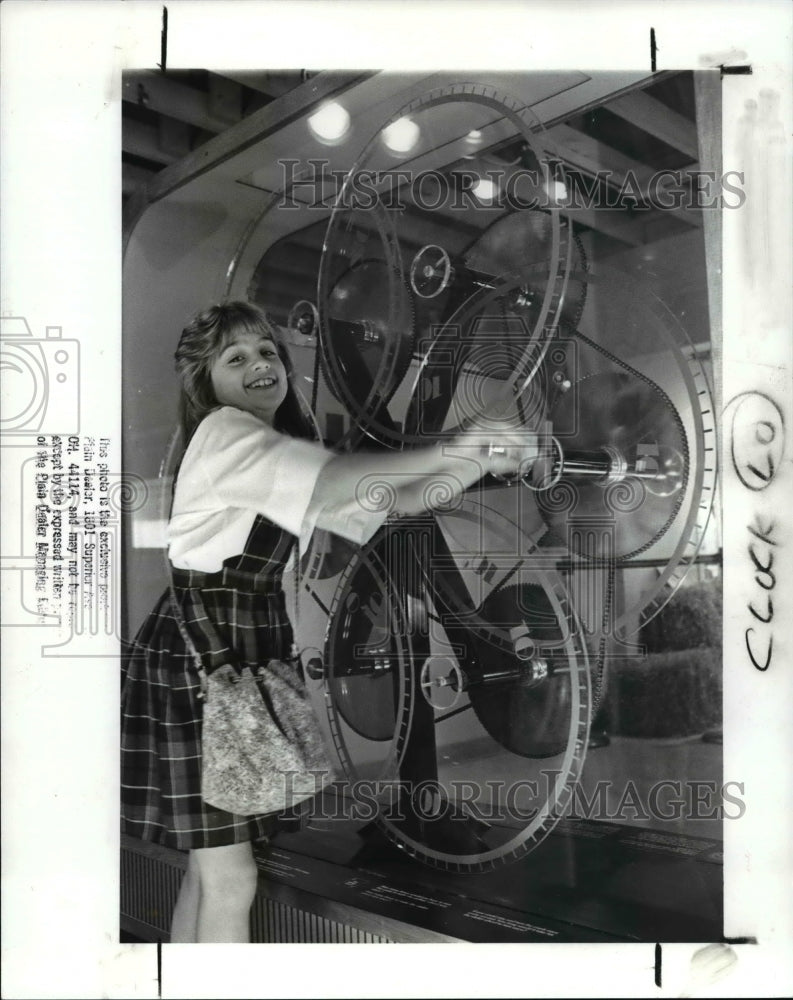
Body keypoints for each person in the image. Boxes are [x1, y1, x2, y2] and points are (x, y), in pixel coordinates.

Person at [121, 300, 538, 943]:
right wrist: (466, 444)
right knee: (232, 881)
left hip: (230, 668)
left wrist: (479, 460)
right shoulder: (225, 432)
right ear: (207, 384)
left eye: (267, 351)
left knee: (209, 875)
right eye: (236, 357)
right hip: (205, 668)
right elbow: (345, 480)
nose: (260, 363)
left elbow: (387, 499)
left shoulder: (269, 450)